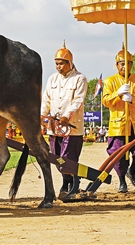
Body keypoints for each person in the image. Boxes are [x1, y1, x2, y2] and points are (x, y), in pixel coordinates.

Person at [41, 42, 87, 199]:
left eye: (61, 63)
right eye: (56, 64)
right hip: (54, 127)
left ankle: (68, 184)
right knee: (56, 157)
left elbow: (78, 100)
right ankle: (68, 181)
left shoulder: (79, 79)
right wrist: (42, 116)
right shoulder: (52, 79)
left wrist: (67, 116)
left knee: (68, 157)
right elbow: (46, 100)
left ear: (70, 63)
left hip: (72, 128)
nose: (58, 67)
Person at [102, 46, 135, 193]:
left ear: (132, 65)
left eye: (128, 63)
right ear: (116, 65)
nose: (125, 66)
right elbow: (105, 101)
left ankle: (133, 169)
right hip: (118, 124)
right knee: (118, 152)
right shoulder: (110, 82)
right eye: (122, 63)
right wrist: (118, 94)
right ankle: (122, 180)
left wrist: (132, 99)